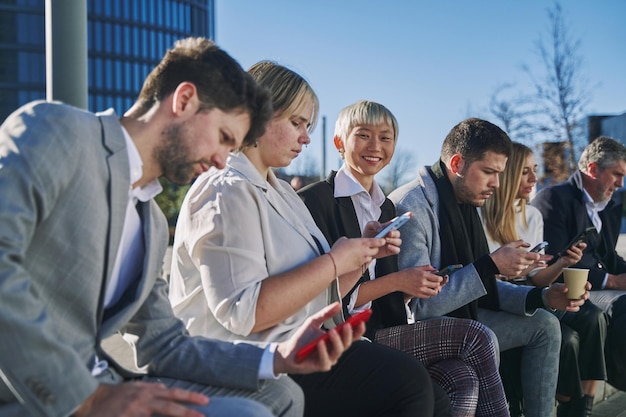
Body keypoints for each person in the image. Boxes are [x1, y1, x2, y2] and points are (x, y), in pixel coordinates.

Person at [0, 37, 366, 417]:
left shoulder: (151, 224)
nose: (223, 161)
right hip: (33, 392)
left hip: (104, 382)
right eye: (224, 138)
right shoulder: (58, 131)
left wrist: (276, 358)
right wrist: (84, 399)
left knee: (282, 394)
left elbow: (164, 344)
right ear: (184, 100)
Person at [169, 61, 452, 417]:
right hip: (247, 359)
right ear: (257, 116)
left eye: (307, 126)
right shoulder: (227, 191)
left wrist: (360, 257)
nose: (305, 137)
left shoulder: (282, 192)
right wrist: (334, 261)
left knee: (435, 397)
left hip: (300, 342)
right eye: (296, 123)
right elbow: (245, 314)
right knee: (406, 383)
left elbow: (323, 292)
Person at [298, 100, 509, 417]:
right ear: (340, 143)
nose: (376, 146)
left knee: (461, 376)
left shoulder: (385, 208)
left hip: (382, 328)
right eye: (364, 135)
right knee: (476, 336)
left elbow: (393, 300)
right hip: (344, 335)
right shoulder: (315, 202)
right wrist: (399, 281)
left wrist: (413, 287)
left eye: (386, 137)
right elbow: (324, 296)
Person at [388, 117, 589, 417]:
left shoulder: (466, 203)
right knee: (483, 338)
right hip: (421, 329)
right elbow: (420, 307)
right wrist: (490, 265)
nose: (496, 183)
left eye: (500, 173)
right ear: (457, 163)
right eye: (489, 172)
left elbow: (482, 287)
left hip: (463, 314)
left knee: (546, 325)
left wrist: (543, 297)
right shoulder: (412, 206)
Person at [481, 142, 607, 417]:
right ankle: (571, 401)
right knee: (568, 338)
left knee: (593, 316)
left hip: (530, 289)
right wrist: (505, 269)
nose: (533, 179)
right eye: (525, 171)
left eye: (535, 170)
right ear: (508, 173)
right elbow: (483, 275)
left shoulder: (532, 215)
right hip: (499, 296)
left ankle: (579, 405)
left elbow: (538, 279)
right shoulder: (481, 214)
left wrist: (563, 261)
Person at [532, 136, 626, 393]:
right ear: (593, 169)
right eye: (616, 174)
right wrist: (613, 281)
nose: (620, 183)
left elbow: (609, 258)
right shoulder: (553, 198)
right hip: (568, 289)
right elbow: (558, 255)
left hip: (593, 290)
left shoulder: (605, 207)